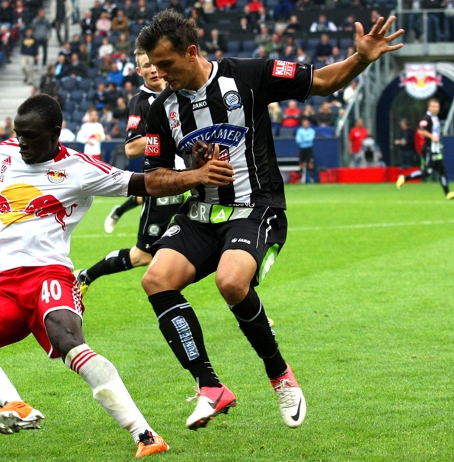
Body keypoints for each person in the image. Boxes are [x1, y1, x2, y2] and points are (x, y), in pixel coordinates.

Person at [135, 9, 403, 431]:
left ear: (191, 52)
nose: (161, 75)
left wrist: (361, 58)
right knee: (155, 279)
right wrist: (194, 176)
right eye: (154, 67)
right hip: (201, 213)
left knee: (231, 282)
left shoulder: (248, 75)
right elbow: (152, 178)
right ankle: (210, 387)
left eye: (166, 65)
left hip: (256, 208)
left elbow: (325, 81)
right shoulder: (162, 109)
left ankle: (280, 375)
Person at [0, 94, 169, 459]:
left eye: (30, 135)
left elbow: (148, 183)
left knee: (68, 340)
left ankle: (144, 433)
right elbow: (13, 150)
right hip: (1, 281)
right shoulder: (4, 154)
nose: (22, 143)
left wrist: (197, 176)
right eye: (18, 134)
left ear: (55, 133)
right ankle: (14, 404)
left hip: (49, 274)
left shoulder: (82, 169)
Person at [75, 49, 185, 293]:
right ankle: (86, 275)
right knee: (142, 256)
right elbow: (132, 148)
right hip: (165, 185)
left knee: (212, 242)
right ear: (139, 71)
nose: (153, 70)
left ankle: (248, 310)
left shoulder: (182, 91)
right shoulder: (141, 102)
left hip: (193, 182)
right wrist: (167, 136)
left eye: (157, 64)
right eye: (147, 66)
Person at [396, 98, 454, 199]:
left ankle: (447, 193)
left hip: (436, 149)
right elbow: (420, 131)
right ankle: (404, 178)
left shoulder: (435, 118)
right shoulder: (426, 118)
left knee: (442, 170)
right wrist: (432, 137)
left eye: (437, 106)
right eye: (434, 106)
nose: (436, 108)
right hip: (429, 149)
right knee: (427, 173)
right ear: (429, 107)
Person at [295, 118, 315, 183]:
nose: (305, 125)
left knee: (310, 162)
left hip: (309, 149)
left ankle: (311, 178)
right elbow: (298, 140)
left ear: (308, 124)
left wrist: (303, 138)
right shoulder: (300, 131)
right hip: (302, 149)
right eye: (304, 124)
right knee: (301, 162)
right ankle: (300, 178)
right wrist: (306, 138)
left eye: (306, 124)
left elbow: (310, 139)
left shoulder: (311, 131)